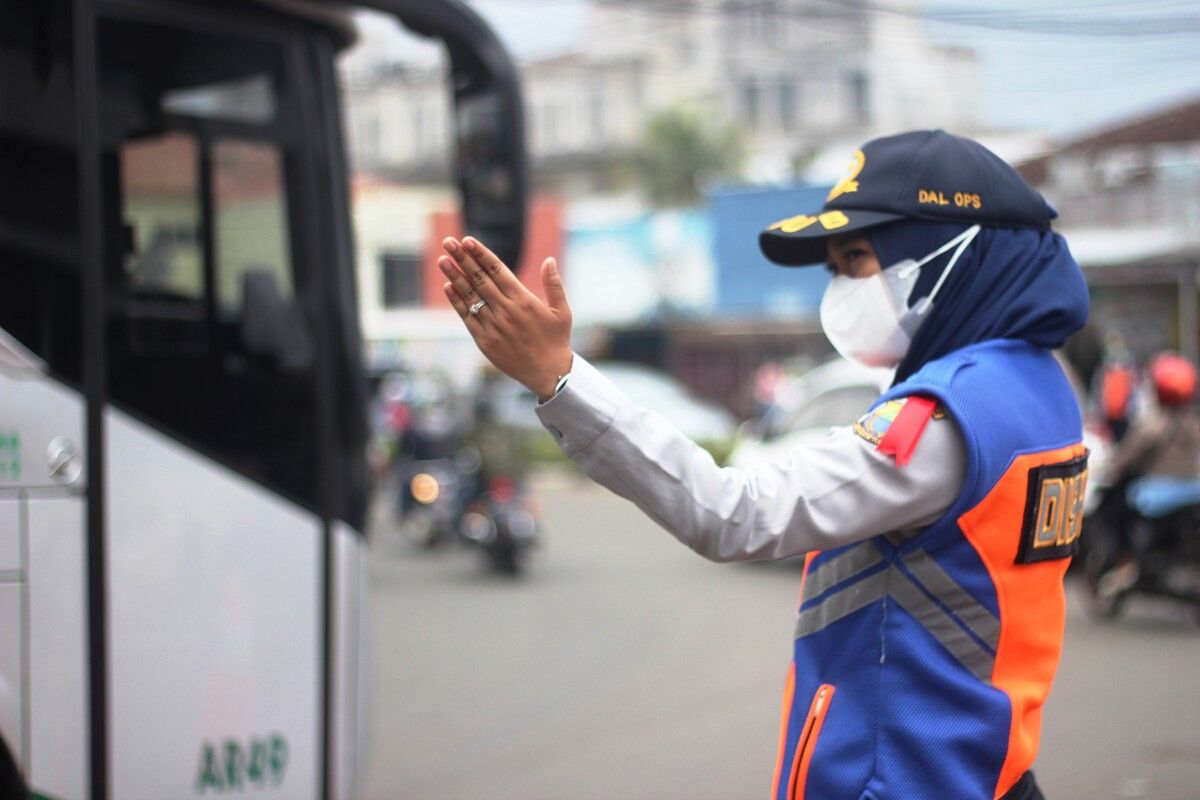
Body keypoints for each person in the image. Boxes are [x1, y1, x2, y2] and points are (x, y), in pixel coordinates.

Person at [436, 130, 1090, 800]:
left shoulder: (946, 415)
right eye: (833, 266)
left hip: (900, 778)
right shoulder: (1039, 387)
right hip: (987, 766)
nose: (840, 286)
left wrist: (559, 379)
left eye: (857, 258)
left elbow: (734, 512)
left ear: (953, 256)